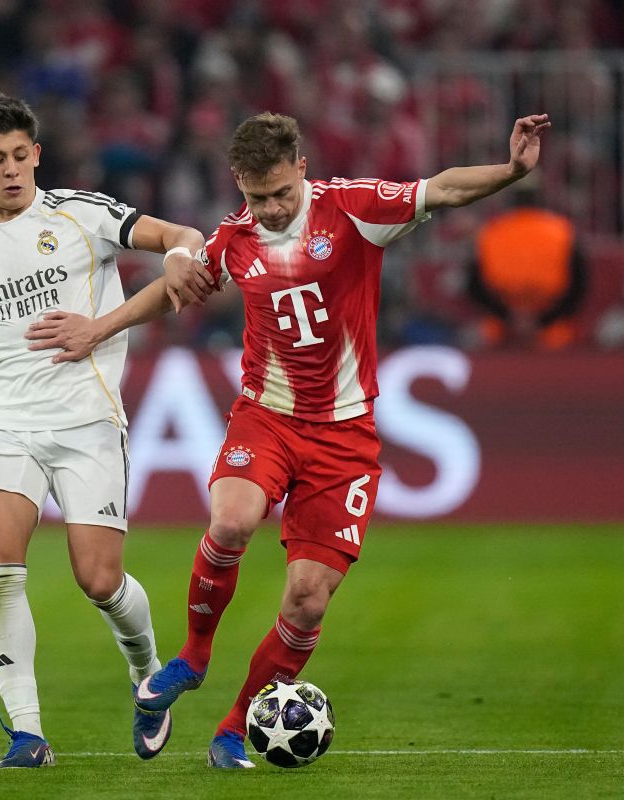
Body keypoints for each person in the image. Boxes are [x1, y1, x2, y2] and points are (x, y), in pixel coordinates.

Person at [27, 110, 551, 767]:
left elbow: (440, 189)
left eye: (281, 193)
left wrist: (510, 171)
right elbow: (174, 291)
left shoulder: (353, 208)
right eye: (256, 197)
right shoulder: (234, 238)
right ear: (238, 184)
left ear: (302, 169)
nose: (270, 209)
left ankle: (230, 728)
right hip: (266, 417)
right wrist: (97, 328)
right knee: (232, 521)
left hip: (345, 434)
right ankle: (192, 653)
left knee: (305, 601)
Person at [0, 93, 215, 768]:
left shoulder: (83, 214)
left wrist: (164, 275)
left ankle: (147, 674)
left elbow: (181, 238)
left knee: (98, 579)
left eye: (20, 156)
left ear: (36, 154)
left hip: (86, 419)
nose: (11, 170)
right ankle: (27, 733)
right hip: (5, 421)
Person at [465, 176, 587, 350]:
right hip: (552, 325)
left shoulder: (490, 232)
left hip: (501, 324)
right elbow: (579, 285)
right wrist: (542, 320)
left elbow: (474, 286)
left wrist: (509, 317)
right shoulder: (562, 231)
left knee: (484, 338)